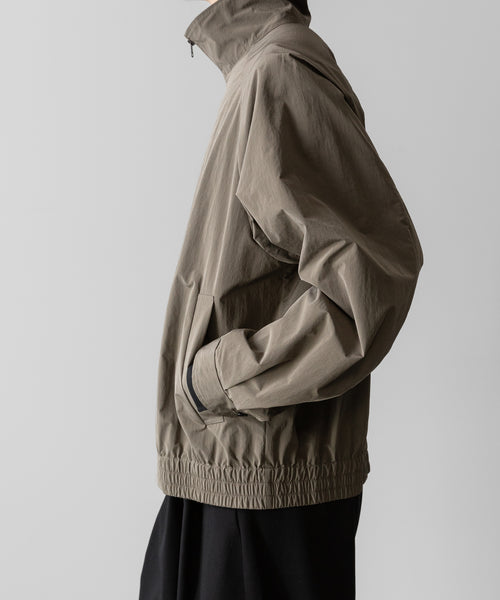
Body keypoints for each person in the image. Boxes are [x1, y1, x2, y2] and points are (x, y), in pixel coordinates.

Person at [139, 0, 424, 598]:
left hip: (260, 486)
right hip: (236, 469)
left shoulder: (279, 75)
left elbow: (369, 282)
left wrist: (219, 376)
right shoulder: (260, 72)